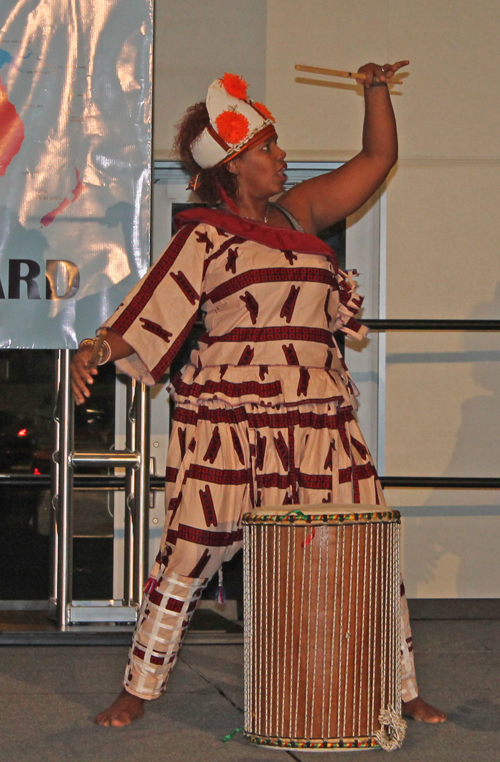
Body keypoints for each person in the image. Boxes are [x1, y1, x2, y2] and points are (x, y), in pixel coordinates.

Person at [70, 63, 447, 728]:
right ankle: (139, 686)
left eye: (276, 146)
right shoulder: (204, 235)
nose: (282, 157)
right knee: (190, 549)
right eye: (268, 149)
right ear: (235, 165)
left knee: (366, 540)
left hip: (319, 414)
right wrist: (100, 347)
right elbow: (152, 306)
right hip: (230, 417)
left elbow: (379, 156)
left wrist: (375, 90)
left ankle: (402, 684)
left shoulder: (300, 214)